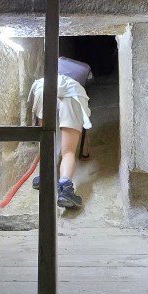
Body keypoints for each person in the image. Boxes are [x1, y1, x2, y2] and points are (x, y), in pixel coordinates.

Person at [29, 61, 92, 209]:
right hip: (73, 93)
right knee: (68, 151)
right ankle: (66, 188)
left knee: (47, 141)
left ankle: (45, 176)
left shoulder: (54, 63)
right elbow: (84, 151)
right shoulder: (83, 69)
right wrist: (85, 153)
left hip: (45, 87)